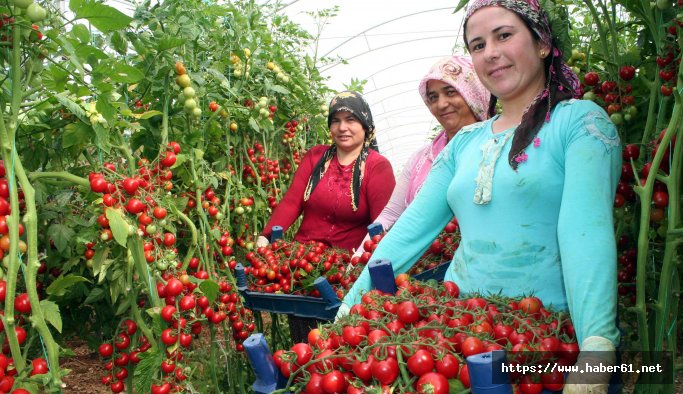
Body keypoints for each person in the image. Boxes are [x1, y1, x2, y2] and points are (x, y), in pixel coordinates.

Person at [339, 0, 621, 392]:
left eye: (504, 35)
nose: (490, 52)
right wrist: (348, 306)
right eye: (477, 45)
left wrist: (597, 345)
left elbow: (585, 235)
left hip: (540, 338)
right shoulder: (466, 143)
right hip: (455, 333)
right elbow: (409, 231)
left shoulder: (579, 123)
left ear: (541, 43)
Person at [353, 55, 490, 255]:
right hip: (424, 270)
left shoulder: (498, 146)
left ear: (473, 93)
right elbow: (390, 215)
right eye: (433, 97)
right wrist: (359, 260)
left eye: (451, 92)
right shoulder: (421, 159)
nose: (442, 104)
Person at [257, 91, 395, 251]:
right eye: (336, 121)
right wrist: (265, 236)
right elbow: (292, 202)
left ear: (365, 124)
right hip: (302, 257)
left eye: (350, 120)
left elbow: (381, 225)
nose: (342, 128)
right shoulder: (315, 157)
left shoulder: (377, 167)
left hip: (347, 264)